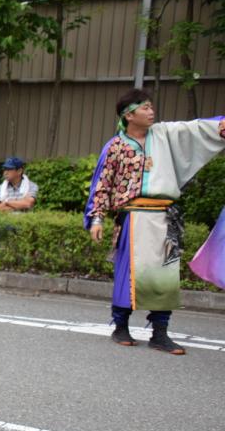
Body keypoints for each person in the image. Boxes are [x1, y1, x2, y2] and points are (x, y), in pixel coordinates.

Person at [85, 88, 225, 353]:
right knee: (128, 276)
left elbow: (194, 129)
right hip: (133, 218)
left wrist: (220, 127)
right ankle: (121, 327)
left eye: (151, 107)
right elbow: (102, 185)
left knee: (165, 277)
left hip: (165, 216)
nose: (151, 112)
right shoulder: (115, 146)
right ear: (129, 114)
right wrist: (97, 219)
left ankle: (160, 333)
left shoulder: (164, 134)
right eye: (145, 107)